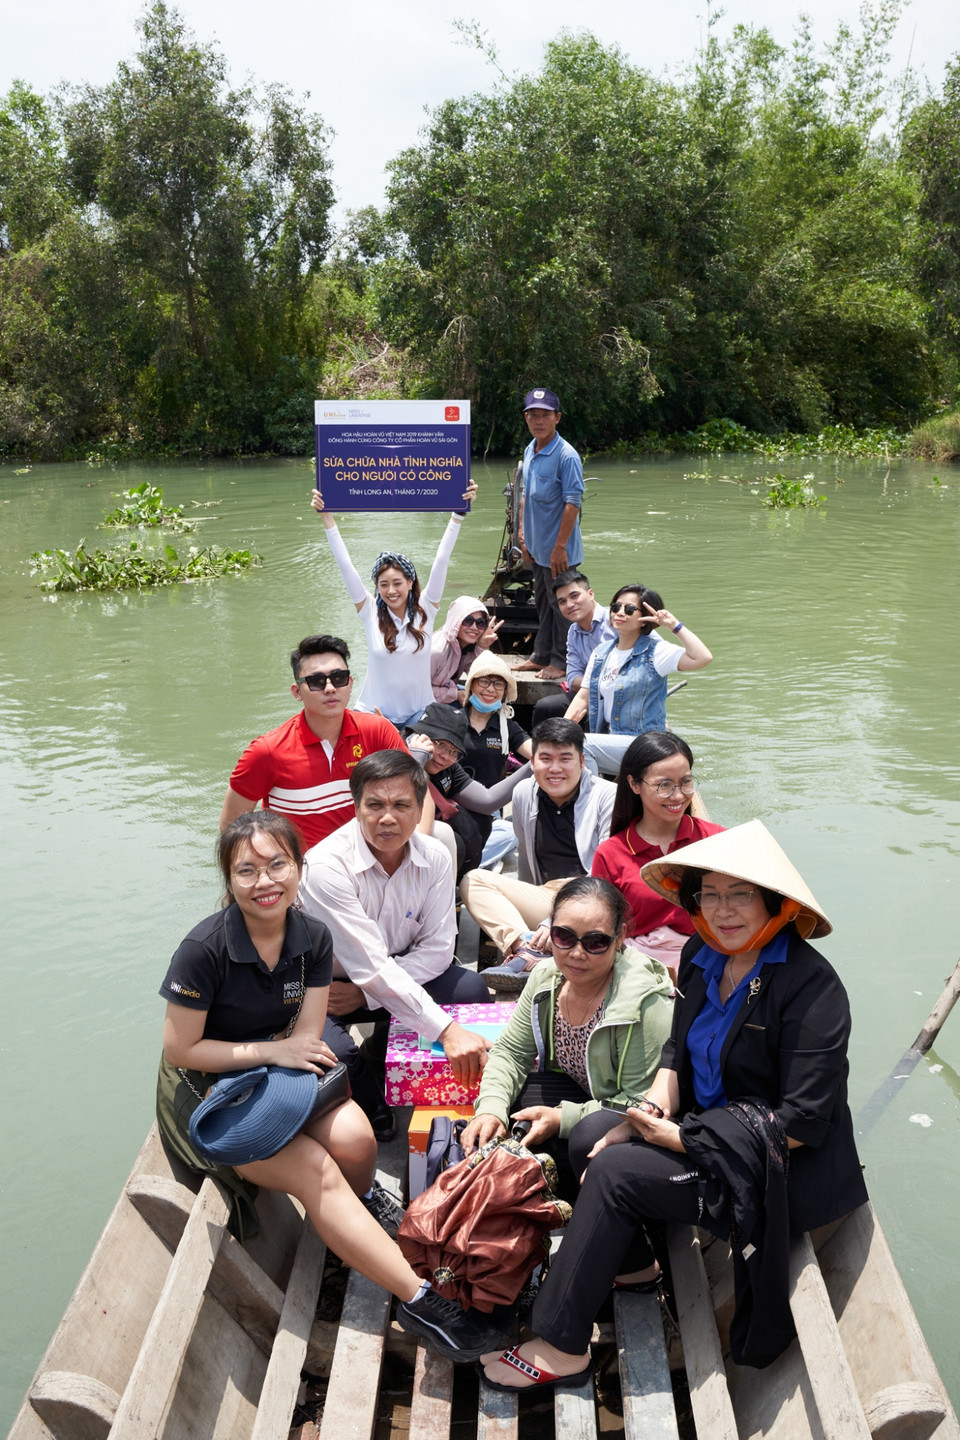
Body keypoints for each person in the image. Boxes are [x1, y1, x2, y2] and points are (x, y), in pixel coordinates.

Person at [470, 819, 868, 1390]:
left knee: (612, 1170)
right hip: (707, 1133)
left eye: (741, 896)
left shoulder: (811, 987)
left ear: (775, 905)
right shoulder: (706, 954)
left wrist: (677, 1139)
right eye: (711, 895)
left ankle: (561, 1345)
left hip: (773, 1169)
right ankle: (633, 1268)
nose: (724, 911)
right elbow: (678, 1054)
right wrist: (651, 1113)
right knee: (594, 1135)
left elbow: (802, 1124)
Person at [156, 810, 505, 1363]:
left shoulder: (312, 935)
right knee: (317, 1169)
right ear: (228, 879)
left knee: (358, 1141)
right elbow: (182, 1049)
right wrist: (274, 1051)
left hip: (279, 1071)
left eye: (277, 865)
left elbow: (310, 1028)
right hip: (213, 1090)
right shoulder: (203, 950)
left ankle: (358, 1210)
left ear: (299, 867)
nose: (264, 881)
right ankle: (421, 1301)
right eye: (247, 870)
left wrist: (283, 1054)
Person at [298, 750, 493, 1141]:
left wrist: (365, 998)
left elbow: (438, 950)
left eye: (402, 805)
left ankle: (385, 1048)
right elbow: (369, 964)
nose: (388, 817)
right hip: (324, 987)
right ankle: (370, 1100)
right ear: (356, 808)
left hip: (376, 979)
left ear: (421, 806)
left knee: (470, 989)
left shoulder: (436, 856)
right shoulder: (324, 867)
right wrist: (447, 1032)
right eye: (375, 805)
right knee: (337, 1055)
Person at [461, 877, 674, 1199]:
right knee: (505, 1117)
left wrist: (563, 1119)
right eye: (564, 936)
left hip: (636, 1119)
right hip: (583, 1091)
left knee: (583, 1137)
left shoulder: (646, 1003)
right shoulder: (547, 976)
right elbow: (511, 1052)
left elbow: (641, 1103)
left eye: (595, 942)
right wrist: (490, 1108)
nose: (576, 953)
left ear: (620, 939)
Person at [459, 719, 616, 991]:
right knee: (472, 881)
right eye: (545, 758)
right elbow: (526, 865)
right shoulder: (523, 793)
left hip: (591, 897)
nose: (554, 769)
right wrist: (541, 917)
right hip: (547, 896)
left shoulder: (607, 796)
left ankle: (545, 945)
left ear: (581, 760)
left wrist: (551, 921)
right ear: (532, 762)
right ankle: (527, 948)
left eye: (565, 759)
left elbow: (607, 874)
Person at [309, 481, 478, 729]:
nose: (391, 591)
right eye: (383, 584)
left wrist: (457, 515)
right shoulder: (370, 611)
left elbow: (441, 560)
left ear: (410, 582)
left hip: (419, 714)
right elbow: (345, 566)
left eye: (397, 583)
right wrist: (328, 519)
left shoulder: (426, 610)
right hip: (374, 715)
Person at [220, 634, 408, 850]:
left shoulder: (378, 732)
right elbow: (230, 826)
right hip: (302, 872)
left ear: (350, 683)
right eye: (316, 681)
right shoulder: (266, 752)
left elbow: (415, 791)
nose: (330, 688)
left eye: (339, 678)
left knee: (441, 837)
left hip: (368, 857)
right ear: (296, 692)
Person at [591, 731, 724, 975]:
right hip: (637, 971)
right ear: (634, 784)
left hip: (711, 964)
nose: (677, 795)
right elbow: (603, 928)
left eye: (685, 782)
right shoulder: (610, 854)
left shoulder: (717, 841)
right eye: (664, 785)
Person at [566, 584, 712, 776]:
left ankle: (593, 801)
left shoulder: (656, 652)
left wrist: (674, 626)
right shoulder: (601, 653)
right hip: (612, 740)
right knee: (564, 745)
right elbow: (583, 696)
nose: (619, 613)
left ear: (643, 620)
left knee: (581, 747)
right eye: (616, 607)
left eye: (628, 609)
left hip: (646, 744)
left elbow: (703, 657)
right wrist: (561, 730)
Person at [406, 702, 532, 879]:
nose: (445, 756)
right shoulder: (398, 753)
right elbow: (401, 800)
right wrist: (415, 762)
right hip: (405, 840)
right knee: (445, 835)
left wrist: (532, 766)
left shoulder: (449, 766)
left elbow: (487, 801)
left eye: (454, 751)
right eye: (440, 744)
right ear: (420, 736)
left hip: (441, 850)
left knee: (493, 825)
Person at [513, 389, 585, 681]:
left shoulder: (566, 456)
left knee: (563, 607)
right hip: (537, 548)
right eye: (533, 414)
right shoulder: (531, 449)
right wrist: (522, 534)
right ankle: (540, 655)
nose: (538, 420)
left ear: (557, 418)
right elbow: (525, 495)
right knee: (543, 603)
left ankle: (563, 662)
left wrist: (560, 547)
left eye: (545, 415)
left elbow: (573, 503)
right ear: (526, 418)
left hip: (559, 551)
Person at [531, 568, 615, 729]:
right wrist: (598, 684)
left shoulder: (616, 620)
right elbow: (573, 676)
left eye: (574, 596)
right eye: (562, 601)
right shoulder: (573, 632)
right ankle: (540, 752)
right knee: (545, 707)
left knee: (593, 718)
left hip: (619, 697)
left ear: (590, 594)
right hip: (589, 695)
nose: (569, 605)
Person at [431, 596, 502, 704]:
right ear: (456, 621)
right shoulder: (436, 651)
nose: (474, 627)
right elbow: (416, 692)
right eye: (468, 621)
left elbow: (480, 677)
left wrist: (482, 647)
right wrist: (455, 694)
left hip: (447, 689)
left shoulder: (467, 646)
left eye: (480, 623)